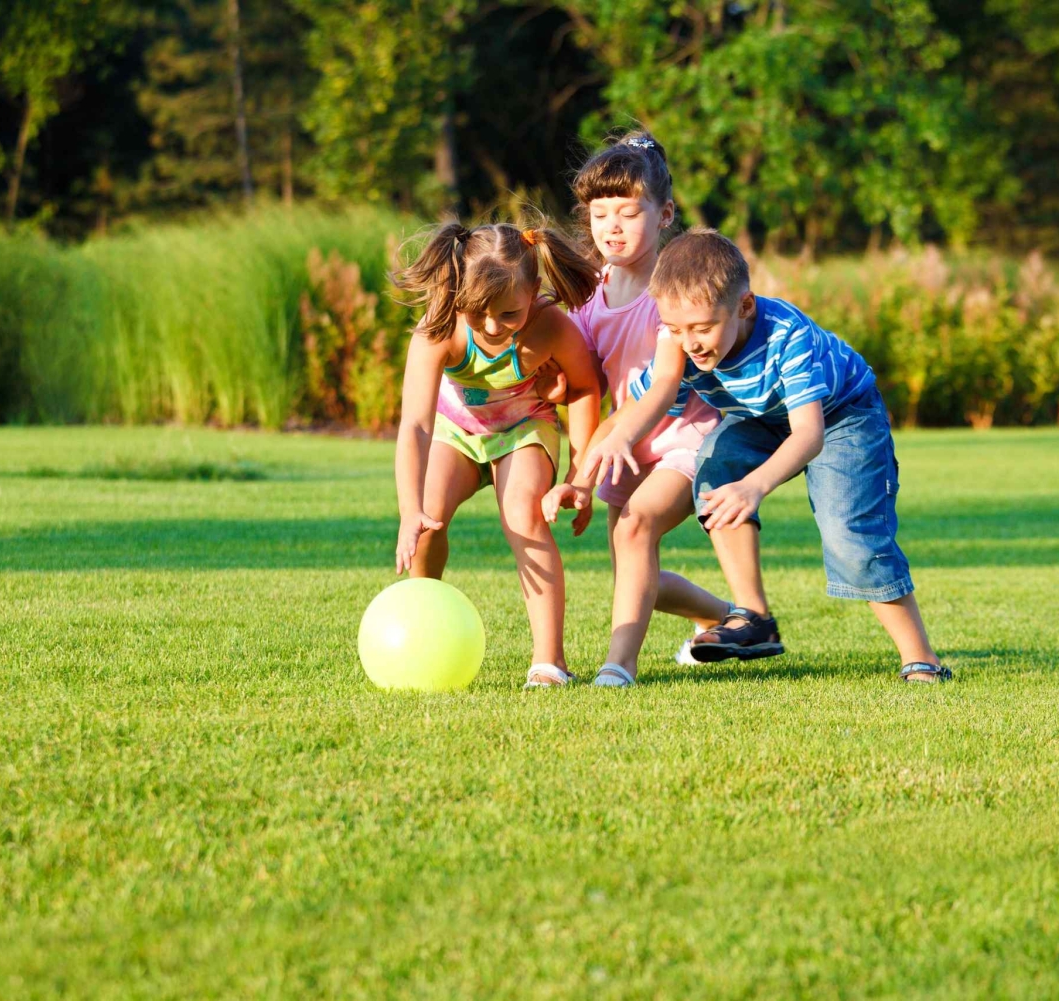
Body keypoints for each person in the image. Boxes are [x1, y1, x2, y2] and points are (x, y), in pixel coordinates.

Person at [579, 229, 952, 683]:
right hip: (761, 418)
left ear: (745, 306)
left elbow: (809, 434)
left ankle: (921, 658)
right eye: (675, 329)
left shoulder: (785, 335)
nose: (690, 343)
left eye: (702, 328)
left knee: (849, 534)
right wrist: (603, 453)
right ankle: (753, 618)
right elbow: (651, 397)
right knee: (715, 468)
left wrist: (754, 485)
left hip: (843, 416)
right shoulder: (679, 342)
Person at [538, 131, 731, 688]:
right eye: (600, 214)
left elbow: (664, 384)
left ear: (664, 214)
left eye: (628, 213)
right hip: (625, 445)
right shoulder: (591, 293)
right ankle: (726, 619)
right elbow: (586, 385)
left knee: (635, 529)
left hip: (686, 440)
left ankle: (618, 667)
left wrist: (615, 441)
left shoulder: (673, 289)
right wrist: (576, 462)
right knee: (633, 567)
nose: (612, 227)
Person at [391, 221, 602, 688]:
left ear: (534, 289)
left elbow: (585, 389)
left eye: (508, 314)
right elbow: (417, 425)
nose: (491, 326)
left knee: (523, 516)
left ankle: (549, 662)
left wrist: (579, 476)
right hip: (457, 430)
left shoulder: (551, 327)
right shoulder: (440, 327)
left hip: (524, 429)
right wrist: (410, 511)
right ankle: (423, 633)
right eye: (477, 312)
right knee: (428, 522)